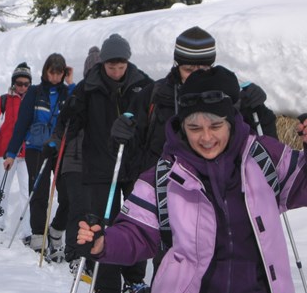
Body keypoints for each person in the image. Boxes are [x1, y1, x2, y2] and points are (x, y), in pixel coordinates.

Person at [78, 65, 307, 293]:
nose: (206, 137)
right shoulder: (164, 176)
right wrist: (103, 243)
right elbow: (136, 232)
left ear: (231, 122)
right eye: (194, 127)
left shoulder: (263, 157)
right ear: (183, 127)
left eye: (216, 126)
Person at [113, 26, 279, 283]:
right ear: (177, 65)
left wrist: (261, 111)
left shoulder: (229, 92)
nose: (195, 77)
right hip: (172, 199)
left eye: (202, 70)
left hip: (224, 200)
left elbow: (262, 147)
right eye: (189, 70)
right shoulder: (156, 94)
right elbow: (132, 131)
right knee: (172, 270)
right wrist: (122, 130)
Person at [57, 34, 153, 293]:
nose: (116, 71)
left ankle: (134, 279)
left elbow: (155, 115)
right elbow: (69, 118)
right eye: (111, 66)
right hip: (99, 166)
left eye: (121, 66)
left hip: (133, 164)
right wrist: (65, 129)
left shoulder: (142, 85)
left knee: (136, 221)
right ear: (103, 63)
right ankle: (105, 283)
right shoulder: (88, 85)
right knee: (102, 223)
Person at [3, 53, 75, 257]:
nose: (54, 77)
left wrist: (71, 83)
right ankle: (37, 236)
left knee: (68, 194)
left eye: (58, 73)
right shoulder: (34, 93)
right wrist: (11, 153)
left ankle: (56, 230)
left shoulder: (67, 93)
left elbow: (80, 104)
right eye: (51, 73)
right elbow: (21, 124)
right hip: (37, 148)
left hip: (60, 149)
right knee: (39, 193)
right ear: (45, 72)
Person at [0, 62, 32, 233]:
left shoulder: (33, 101)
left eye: (26, 84)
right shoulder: (3, 100)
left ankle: (28, 229)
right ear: (13, 83)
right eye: (19, 83)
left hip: (27, 153)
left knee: (27, 192)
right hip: (4, 151)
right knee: (1, 187)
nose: (22, 87)